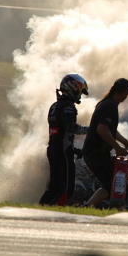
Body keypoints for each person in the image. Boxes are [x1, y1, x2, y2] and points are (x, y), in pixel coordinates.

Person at [82, 78, 128, 209]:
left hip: (97, 153)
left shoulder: (108, 104)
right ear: (125, 92)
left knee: (114, 183)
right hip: (95, 154)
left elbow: (111, 130)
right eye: (127, 93)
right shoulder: (109, 106)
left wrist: (126, 143)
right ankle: (89, 206)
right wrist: (118, 148)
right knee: (111, 185)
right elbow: (102, 130)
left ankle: (90, 206)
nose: (127, 96)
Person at [38, 73, 87, 206]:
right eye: (80, 91)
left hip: (54, 149)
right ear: (73, 88)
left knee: (53, 188)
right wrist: (92, 130)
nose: (80, 95)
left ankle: (40, 209)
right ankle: (54, 213)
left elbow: (60, 132)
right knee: (65, 189)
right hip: (63, 153)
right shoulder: (68, 107)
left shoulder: (55, 105)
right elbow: (71, 128)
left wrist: (75, 149)